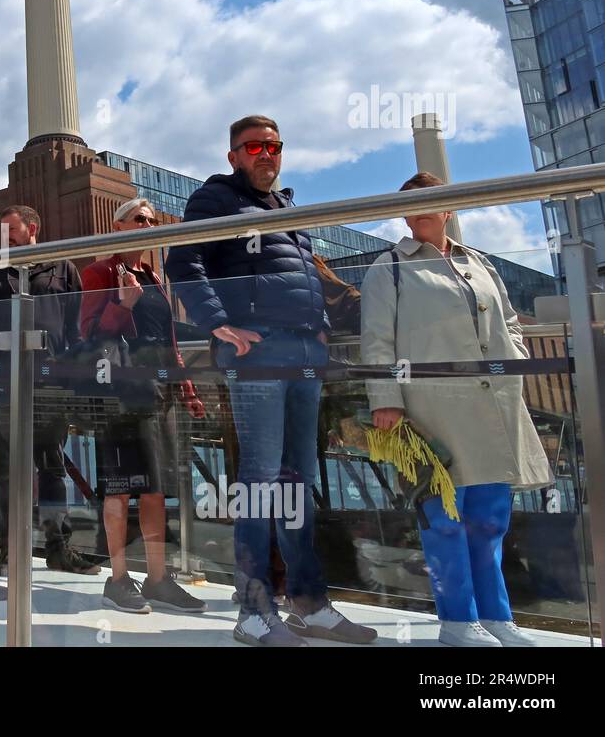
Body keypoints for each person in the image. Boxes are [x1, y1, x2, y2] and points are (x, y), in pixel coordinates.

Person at [166, 114, 376, 646]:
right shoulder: (215, 199)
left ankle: (309, 604)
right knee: (259, 482)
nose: (266, 154)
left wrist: (321, 330)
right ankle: (254, 611)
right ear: (234, 154)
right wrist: (216, 323)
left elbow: (308, 276)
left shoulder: (287, 208)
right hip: (256, 350)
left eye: (274, 145)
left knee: (297, 484)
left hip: (303, 352)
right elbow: (183, 261)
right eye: (254, 146)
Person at [360, 172, 552, 648]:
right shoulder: (389, 267)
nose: (422, 209)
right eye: (411, 203)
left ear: (450, 208)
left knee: (490, 519)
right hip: (432, 410)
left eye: (433, 200)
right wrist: (386, 399)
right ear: (402, 214)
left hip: (493, 406)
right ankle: (457, 621)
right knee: (444, 517)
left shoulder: (479, 262)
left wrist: (517, 363)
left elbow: (509, 320)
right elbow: (377, 340)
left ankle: (497, 617)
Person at [80, 198, 208, 613]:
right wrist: (122, 305)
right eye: (139, 218)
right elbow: (88, 336)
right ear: (118, 227)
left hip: (159, 392)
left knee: (155, 489)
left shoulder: (154, 276)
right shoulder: (100, 272)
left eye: (152, 220)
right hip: (120, 393)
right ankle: (117, 580)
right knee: (119, 489)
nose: (147, 224)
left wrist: (185, 388)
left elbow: (168, 341)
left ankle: (156, 578)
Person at [0, 205, 98, 577]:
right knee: (9, 468)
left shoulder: (63, 268)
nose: (3, 238)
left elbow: (74, 330)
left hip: (52, 380)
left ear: (32, 229)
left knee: (52, 466)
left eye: (10, 230)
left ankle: (59, 548)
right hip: (6, 380)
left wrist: (74, 379)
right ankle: (10, 551)